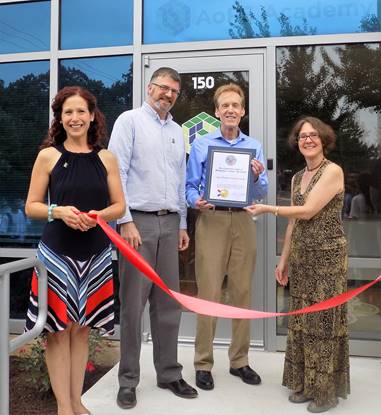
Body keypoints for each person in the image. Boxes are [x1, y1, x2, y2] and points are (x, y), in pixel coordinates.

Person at [24, 86, 126, 415]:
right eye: (68, 112)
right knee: (57, 332)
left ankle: (77, 401)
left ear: (92, 115)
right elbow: (31, 207)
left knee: (81, 331)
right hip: (56, 254)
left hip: (95, 254)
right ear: (60, 118)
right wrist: (60, 211)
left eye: (81, 111)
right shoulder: (48, 156)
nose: (75, 117)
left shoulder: (106, 157)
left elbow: (119, 206)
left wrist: (97, 217)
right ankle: (63, 406)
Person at [245, 116, 350, 413]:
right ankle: (305, 385)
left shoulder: (332, 171)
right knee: (302, 322)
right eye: (303, 136)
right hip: (303, 258)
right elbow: (294, 222)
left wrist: (267, 208)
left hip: (328, 257)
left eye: (313, 135)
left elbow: (307, 211)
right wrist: (284, 259)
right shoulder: (297, 177)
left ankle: (326, 393)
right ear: (297, 141)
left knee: (323, 325)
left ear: (324, 139)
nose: (308, 140)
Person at [108, 67, 198, 410]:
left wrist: (182, 224)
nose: (169, 94)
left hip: (169, 222)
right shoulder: (129, 121)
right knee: (133, 305)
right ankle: (128, 379)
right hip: (137, 226)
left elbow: (178, 183)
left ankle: (169, 373)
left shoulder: (178, 131)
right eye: (163, 88)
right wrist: (125, 221)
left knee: (167, 304)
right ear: (149, 88)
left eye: (174, 91)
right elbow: (115, 173)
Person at [186, 83, 268, 391]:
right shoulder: (202, 145)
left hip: (244, 221)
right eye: (225, 106)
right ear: (217, 112)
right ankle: (203, 363)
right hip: (212, 218)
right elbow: (190, 187)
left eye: (236, 105)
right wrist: (196, 202)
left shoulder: (255, 146)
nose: (231, 110)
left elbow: (262, 191)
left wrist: (258, 176)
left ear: (243, 111)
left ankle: (239, 361)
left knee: (242, 291)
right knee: (208, 292)